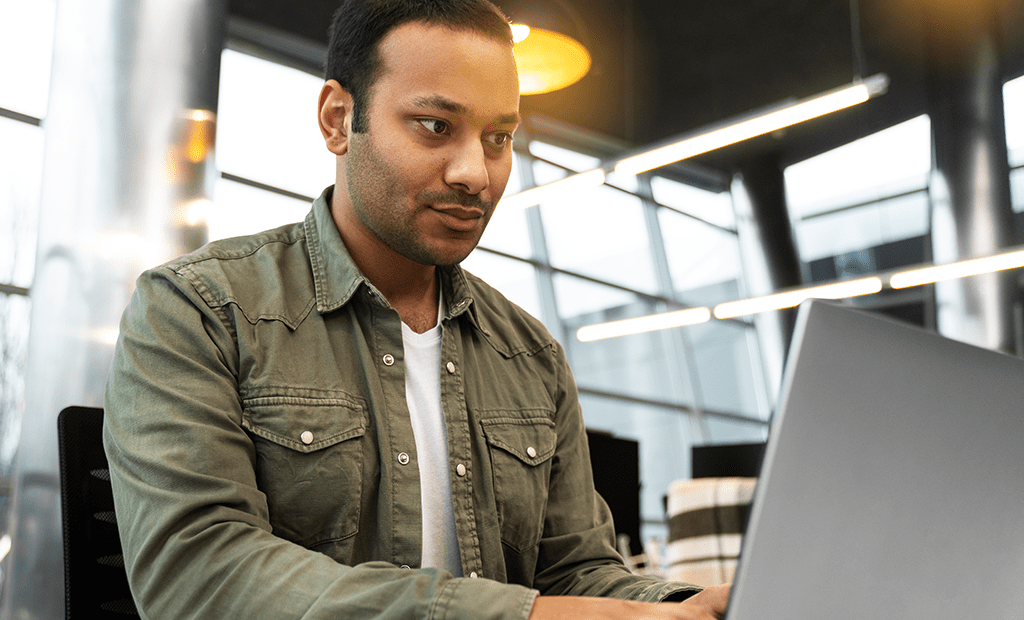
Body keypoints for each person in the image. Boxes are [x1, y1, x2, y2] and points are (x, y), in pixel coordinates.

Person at [103, 0, 730, 618]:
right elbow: (200, 575)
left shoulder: (530, 353)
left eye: (498, 138)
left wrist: (683, 605)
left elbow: (575, 569)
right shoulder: (200, 309)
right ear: (338, 119)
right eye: (435, 125)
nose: (474, 174)